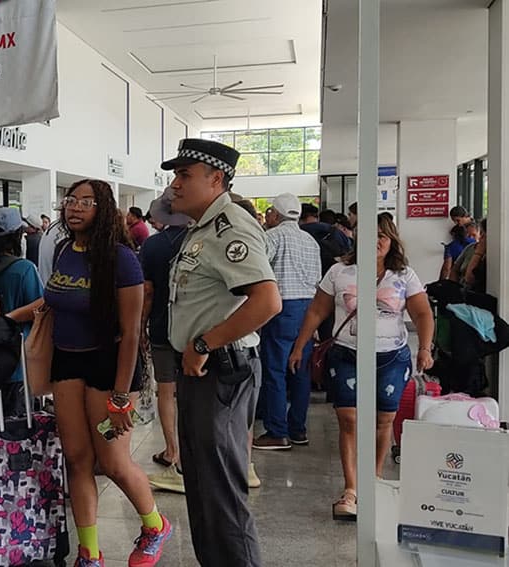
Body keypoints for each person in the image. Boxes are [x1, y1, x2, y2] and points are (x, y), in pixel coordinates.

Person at [164, 138, 282, 567]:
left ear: (216, 180)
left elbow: (267, 302)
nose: (174, 184)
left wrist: (202, 343)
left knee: (222, 494)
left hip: (220, 370)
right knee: (201, 488)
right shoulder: (201, 228)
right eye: (175, 175)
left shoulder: (231, 226)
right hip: (201, 371)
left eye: (184, 175)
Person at [43, 179, 171, 567]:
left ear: (104, 209)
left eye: (87, 201)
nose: (76, 207)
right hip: (66, 361)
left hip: (110, 366)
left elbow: (132, 331)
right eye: (71, 200)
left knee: (112, 460)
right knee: (78, 459)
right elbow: (55, 299)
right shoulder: (65, 249)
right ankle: (90, 554)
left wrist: (119, 396)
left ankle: (155, 525)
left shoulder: (120, 258)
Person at [289, 214, 434, 520]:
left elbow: (422, 314)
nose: (376, 241)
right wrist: (300, 346)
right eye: (369, 234)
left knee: (383, 421)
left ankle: (374, 482)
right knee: (349, 420)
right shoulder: (340, 271)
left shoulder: (404, 275)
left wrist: (424, 348)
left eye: (383, 235)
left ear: (392, 239)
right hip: (346, 354)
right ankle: (352, 489)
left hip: (390, 356)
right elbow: (317, 310)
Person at [254, 193, 321, 450]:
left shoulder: (271, 237)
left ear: (277, 214)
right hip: (309, 309)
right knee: (300, 370)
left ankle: (276, 431)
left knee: (275, 370)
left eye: (270, 211)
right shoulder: (310, 241)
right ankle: (297, 429)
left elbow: (258, 270)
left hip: (282, 309)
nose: (268, 215)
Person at [138, 188, 191, 494]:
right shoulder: (199, 239)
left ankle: (172, 450)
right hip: (196, 331)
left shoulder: (153, 245)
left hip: (161, 327)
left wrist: (142, 327)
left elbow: (147, 292)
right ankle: (191, 455)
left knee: (166, 391)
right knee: (192, 393)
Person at [0, 207, 44, 417]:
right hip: (17, 365)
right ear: (17, 236)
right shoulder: (24, 269)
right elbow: (39, 309)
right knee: (18, 430)